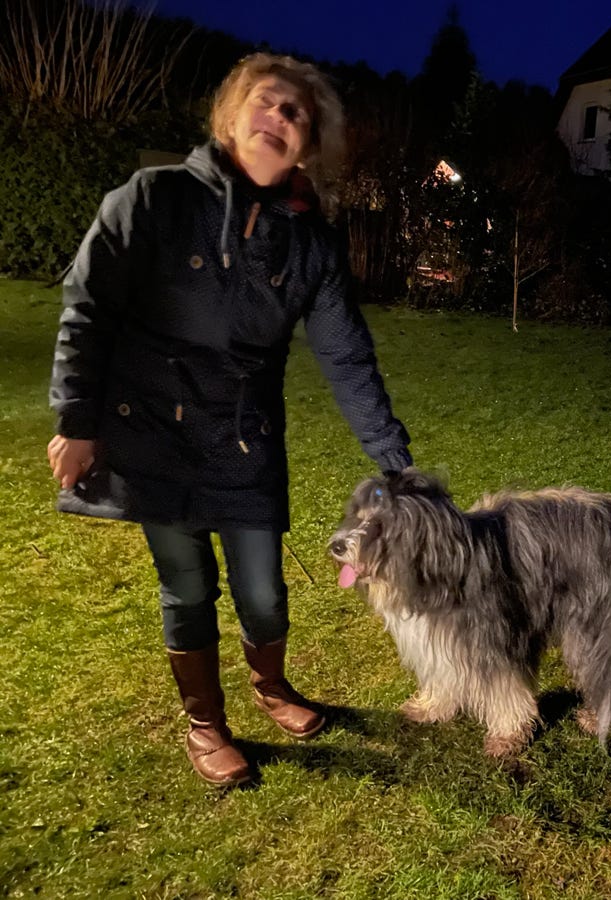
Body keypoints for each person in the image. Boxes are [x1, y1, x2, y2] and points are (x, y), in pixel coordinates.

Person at [47, 54, 413, 787]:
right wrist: (76, 419)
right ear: (231, 113)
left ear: (308, 145)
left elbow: (346, 358)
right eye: (267, 102)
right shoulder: (151, 198)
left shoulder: (312, 244)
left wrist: (395, 463)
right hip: (150, 430)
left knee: (263, 590)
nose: (277, 118)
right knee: (186, 585)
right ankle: (205, 725)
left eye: (295, 114)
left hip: (244, 439)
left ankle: (271, 687)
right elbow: (88, 309)